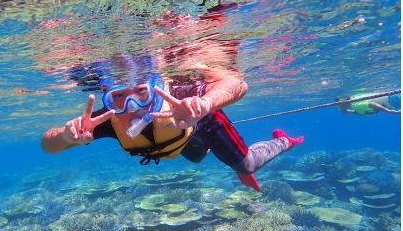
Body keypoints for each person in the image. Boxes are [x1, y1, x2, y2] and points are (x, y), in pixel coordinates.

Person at [41, 53, 304, 191]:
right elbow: (47, 147)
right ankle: (213, 150)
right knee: (198, 156)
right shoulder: (107, 119)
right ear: (107, 97)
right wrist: (66, 137)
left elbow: (238, 84)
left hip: (199, 121)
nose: (131, 107)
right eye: (119, 97)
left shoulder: (181, 96)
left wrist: (206, 104)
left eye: (142, 93)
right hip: (178, 143)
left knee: (248, 165)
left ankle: (284, 141)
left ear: (156, 86)